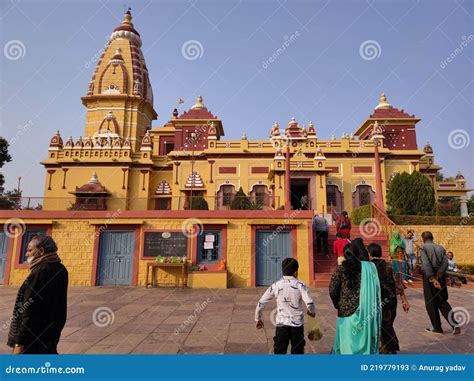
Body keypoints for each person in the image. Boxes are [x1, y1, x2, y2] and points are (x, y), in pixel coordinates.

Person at [7, 235, 68, 354]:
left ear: (41, 251)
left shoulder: (40, 272)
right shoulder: (60, 269)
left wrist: (20, 342)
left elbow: (29, 310)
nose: (26, 254)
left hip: (33, 336)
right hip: (51, 332)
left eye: (30, 250)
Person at [255, 258, 315, 354]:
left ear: (283, 270)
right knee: (297, 351)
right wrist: (312, 313)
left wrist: (258, 319)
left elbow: (261, 303)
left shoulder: (276, 285)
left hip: (281, 324)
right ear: (296, 272)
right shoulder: (300, 285)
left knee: (279, 350)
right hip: (297, 325)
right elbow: (310, 303)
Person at [329, 243, 381, 354]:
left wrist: (337, 304)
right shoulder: (369, 268)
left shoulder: (341, 268)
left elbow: (333, 289)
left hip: (345, 310)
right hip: (365, 311)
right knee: (363, 341)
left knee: (346, 342)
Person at [368, 243, 409, 354]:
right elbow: (398, 283)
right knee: (387, 324)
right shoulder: (389, 266)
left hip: (377, 300)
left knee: (381, 325)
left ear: (369, 253)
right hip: (391, 300)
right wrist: (404, 299)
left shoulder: (369, 268)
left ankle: (389, 348)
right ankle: (387, 348)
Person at [419, 231, 460, 335]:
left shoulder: (423, 248)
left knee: (431, 303)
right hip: (440, 276)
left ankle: (437, 327)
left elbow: (426, 263)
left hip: (429, 277)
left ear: (423, 239)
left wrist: (433, 278)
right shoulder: (441, 248)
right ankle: (454, 324)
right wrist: (439, 275)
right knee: (442, 301)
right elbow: (445, 263)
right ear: (432, 238)